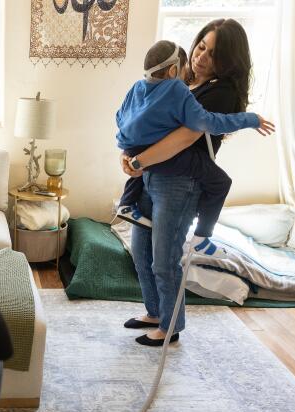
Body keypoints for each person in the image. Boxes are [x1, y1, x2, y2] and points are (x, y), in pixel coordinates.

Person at [119, 19, 272, 346]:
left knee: (164, 258)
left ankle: (171, 327)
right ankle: (156, 312)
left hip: (180, 184)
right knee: (140, 250)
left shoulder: (221, 92)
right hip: (151, 176)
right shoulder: (177, 83)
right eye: (201, 47)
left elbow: (185, 137)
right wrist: (128, 154)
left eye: (214, 54)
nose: (202, 57)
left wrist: (138, 161)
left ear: (229, 62)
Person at [114, 40, 274, 258]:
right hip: (166, 163)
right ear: (173, 70)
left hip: (130, 146)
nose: (197, 60)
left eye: (213, 53)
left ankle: (126, 203)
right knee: (221, 182)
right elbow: (211, 123)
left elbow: (119, 117)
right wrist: (250, 119)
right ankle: (201, 238)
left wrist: (131, 146)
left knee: (139, 168)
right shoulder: (177, 89)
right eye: (200, 48)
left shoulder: (137, 87)